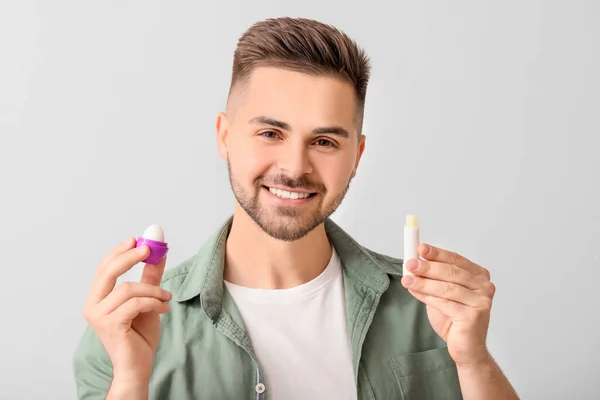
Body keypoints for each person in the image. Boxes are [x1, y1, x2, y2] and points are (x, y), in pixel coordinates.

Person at [73, 16, 520, 400]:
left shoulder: (426, 311)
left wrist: (474, 361)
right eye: (270, 133)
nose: (294, 167)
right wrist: (131, 380)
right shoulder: (127, 330)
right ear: (225, 136)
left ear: (357, 157)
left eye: (324, 141)